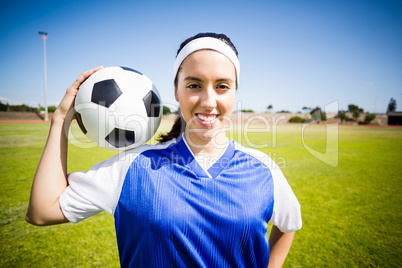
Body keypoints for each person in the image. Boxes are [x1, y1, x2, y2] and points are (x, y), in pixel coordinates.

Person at [26, 32, 302, 267]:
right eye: (194, 85)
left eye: (222, 86)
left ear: (234, 92)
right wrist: (60, 120)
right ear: (175, 90)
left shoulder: (263, 168)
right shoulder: (132, 167)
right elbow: (42, 211)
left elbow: (288, 224)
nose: (209, 101)